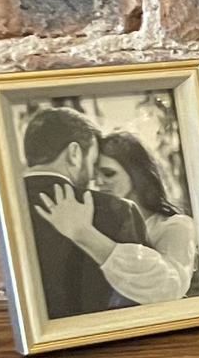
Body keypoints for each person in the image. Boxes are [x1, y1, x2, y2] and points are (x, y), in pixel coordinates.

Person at [37, 127, 199, 306]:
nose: (98, 183)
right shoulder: (94, 224)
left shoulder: (175, 226)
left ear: (136, 173)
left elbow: (170, 287)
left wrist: (85, 235)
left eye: (108, 173)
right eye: (94, 176)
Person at [18, 107, 147, 322]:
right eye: (93, 161)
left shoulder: (4, 207)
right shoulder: (117, 210)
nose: (94, 176)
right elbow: (143, 296)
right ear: (74, 153)